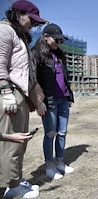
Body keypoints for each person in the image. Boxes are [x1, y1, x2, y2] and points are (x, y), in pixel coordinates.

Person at [0, 0, 46, 198]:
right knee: (11, 142)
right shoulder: (5, 31)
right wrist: (5, 91)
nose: (33, 25)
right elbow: (0, 62)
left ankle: (16, 179)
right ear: (18, 14)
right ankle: (10, 185)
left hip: (21, 93)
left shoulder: (20, 35)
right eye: (31, 20)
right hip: (10, 92)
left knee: (21, 141)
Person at [31, 23, 75, 180]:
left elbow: (65, 77)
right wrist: (38, 101)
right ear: (45, 36)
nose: (59, 43)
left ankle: (59, 162)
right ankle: (49, 166)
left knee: (62, 133)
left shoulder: (60, 54)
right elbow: (33, 78)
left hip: (63, 99)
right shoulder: (36, 53)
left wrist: (69, 97)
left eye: (61, 41)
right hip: (48, 102)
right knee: (50, 133)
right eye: (56, 40)